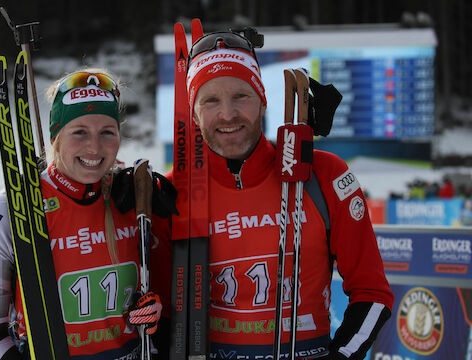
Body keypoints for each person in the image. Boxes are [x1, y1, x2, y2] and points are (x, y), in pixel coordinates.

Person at [165, 29, 394, 359]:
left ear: (262, 101)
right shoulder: (172, 191)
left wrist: (340, 356)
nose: (227, 114)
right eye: (210, 100)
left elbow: (372, 292)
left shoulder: (322, 175)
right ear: (193, 112)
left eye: (241, 96)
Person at [0, 69, 171, 359]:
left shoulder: (136, 199)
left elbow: (164, 296)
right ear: (56, 136)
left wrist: (150, 311)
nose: (94, 146)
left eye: (107, 132)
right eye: (79, 132)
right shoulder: (6, 213)